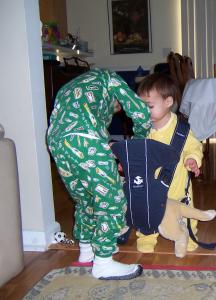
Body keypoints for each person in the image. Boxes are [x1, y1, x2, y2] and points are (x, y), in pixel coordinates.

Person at [47, 68, 151, 280]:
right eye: (116, 107)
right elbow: (140, 110)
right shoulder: (109, 77)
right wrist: (139, 144)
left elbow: (88, 124)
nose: (114, 111)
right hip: (84, 137)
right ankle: (103, 262)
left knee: (85, 199)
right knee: (111, 198)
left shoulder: (72, 87)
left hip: (56, 140)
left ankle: (86, 253)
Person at [135, 72, 203, 253]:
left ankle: (188, 233)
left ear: (168, 102)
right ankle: (147, 236)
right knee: (147, 211)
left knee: (184, 210)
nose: (143, 111)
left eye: (149, 106)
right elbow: (136, 151)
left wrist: (192, 159)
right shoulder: (143, 129)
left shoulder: (180, 130)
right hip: (150, 184)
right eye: (140, 106)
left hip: (177, 184)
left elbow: (194, 147)